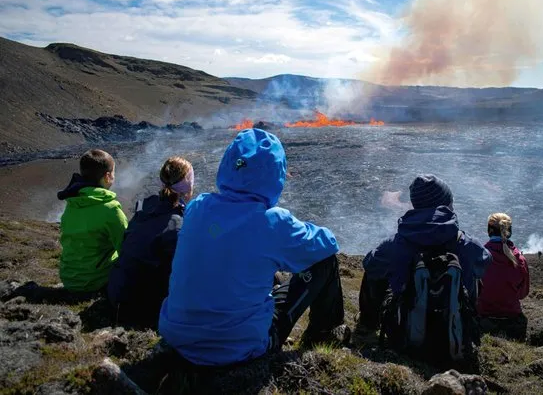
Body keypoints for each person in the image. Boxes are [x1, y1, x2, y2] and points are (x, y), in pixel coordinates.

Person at [159, 129, 348, 366]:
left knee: (262, 269)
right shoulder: (273, 222)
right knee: (325, 261)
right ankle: (324, 336)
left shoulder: (198, 206)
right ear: (276, 173)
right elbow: (328, 244)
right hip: (239, 349)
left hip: (178, 338)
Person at [358, 175, 492, 331]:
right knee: (474, 269)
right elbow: (485, 260)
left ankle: (368, 325)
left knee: (377, 267)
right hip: (455, 330)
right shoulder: (462, 241)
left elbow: (369, 263)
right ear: (445, 205)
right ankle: (469, 324)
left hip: (407, 329)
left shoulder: (399, 242)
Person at [108, 156, 194, 328]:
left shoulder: (145, 206)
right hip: (143, 308)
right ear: (188, 187)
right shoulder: (177, 225)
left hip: (117, 293)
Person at [57, 149, 128, 292]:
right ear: (107, 176)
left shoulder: (72, 203)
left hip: (68, 279)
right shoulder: (111, 210)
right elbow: (126, 248)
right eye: (113, 173)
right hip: (96, 280)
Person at [477, 213, 530, 341]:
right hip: (511, 315)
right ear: (509, 232)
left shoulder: (479, 256)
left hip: (483, 314)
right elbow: (523, 293)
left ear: (489, 231)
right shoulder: (520, 260)